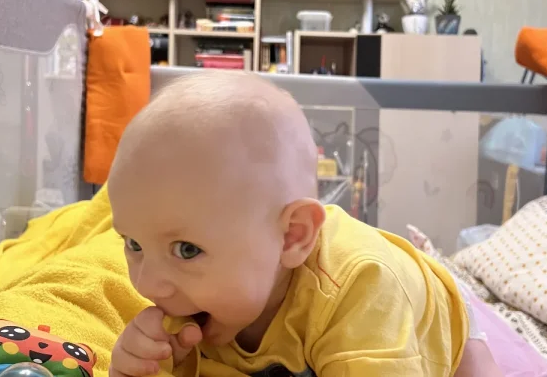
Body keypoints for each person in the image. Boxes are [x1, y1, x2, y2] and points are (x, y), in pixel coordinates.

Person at [107, 71, 503, 376]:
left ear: (291, 237)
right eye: (133, 244)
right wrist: (147, 366)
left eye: (186, 250)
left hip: (436, 316)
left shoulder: (361, 288)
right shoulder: (212, 303)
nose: (146, 284)